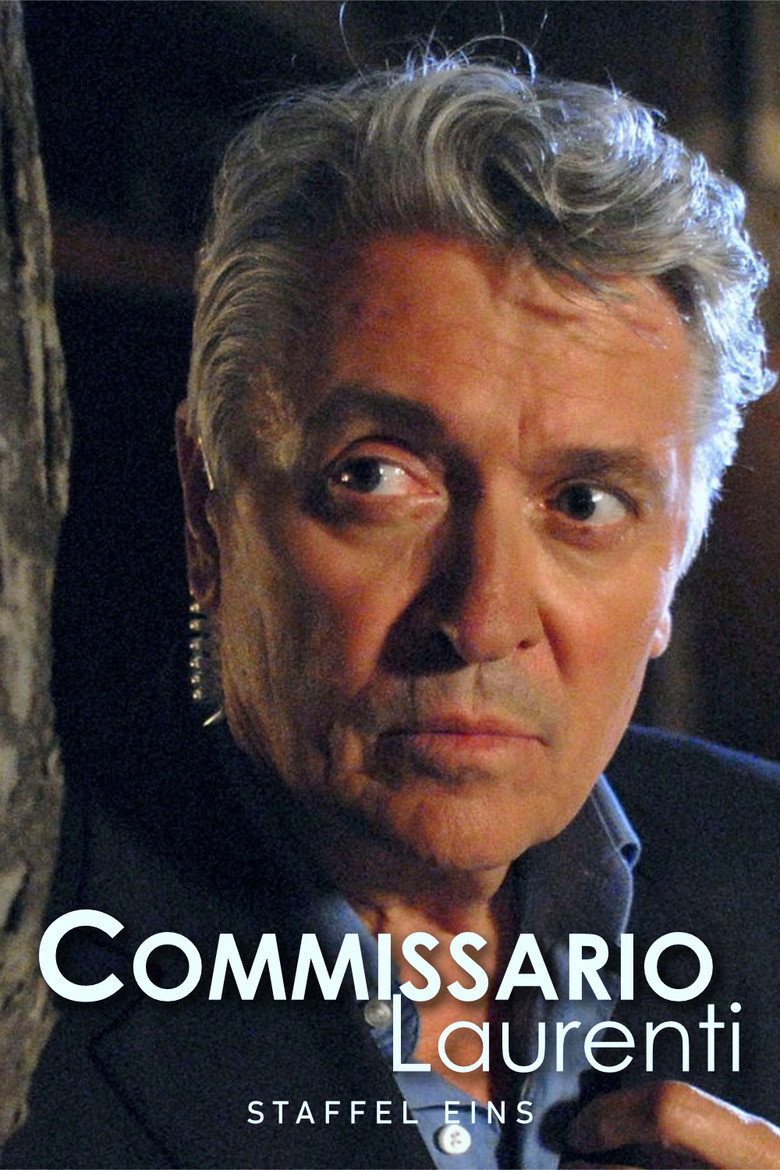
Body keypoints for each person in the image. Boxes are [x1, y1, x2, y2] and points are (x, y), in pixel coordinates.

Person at [5, 58, 780, 1170]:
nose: (482, 618)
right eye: (376, 477)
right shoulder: (32, 960)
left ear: (678, 557)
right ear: (206, 506)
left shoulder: (765, 863)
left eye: (585, 503)